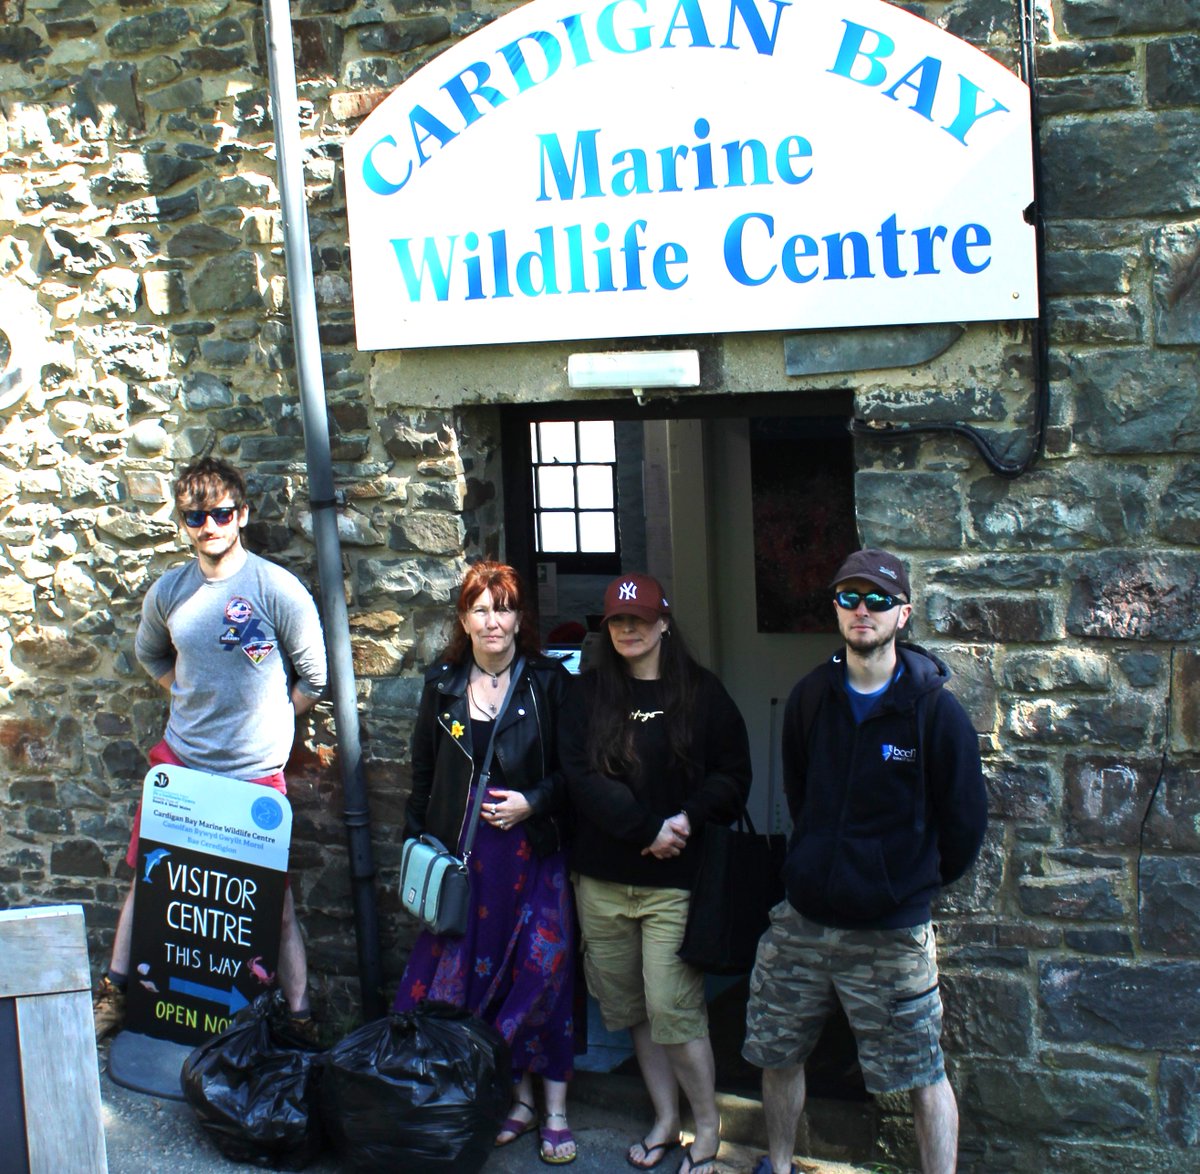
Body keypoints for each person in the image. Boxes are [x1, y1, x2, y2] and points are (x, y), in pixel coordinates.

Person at [743, 548, 987, 1174]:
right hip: (805, 919)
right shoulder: (809, 699)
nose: (862, 610)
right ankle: (779, 1163)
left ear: (902, 614)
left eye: (878, 599)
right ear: (836, 608)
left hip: (891, 930)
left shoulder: (935, 711)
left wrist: (903, 883)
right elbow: (801, 793)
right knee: (779, 1052)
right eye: (850, 597)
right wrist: (815, 865)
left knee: (924, 1070)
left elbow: (963, 825)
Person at [92, 456, 328, 1041]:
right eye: (195, 516)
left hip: (253, 777)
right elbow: (152, 657)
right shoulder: (169, 592)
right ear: (183, 523)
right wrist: (188, 696)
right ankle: (116, 996)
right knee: (149, 881)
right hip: (183, 767)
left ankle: (300, 1020)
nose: (209, 526)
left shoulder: (276, 589)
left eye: (221, 513)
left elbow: (314, 677)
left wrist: (273, 718)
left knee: (275, 902)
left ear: (242, 514)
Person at [560, 573, 752, 1174]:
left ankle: (707, 1128)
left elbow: (734, 773)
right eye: (617, 621)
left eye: (639, 619)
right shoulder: (585, 694)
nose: (627, 629)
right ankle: (666, 1120)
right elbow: (581, 779)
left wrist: (686, 819)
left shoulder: (702, 693)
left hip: (675, 882)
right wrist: (647, 829)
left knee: (673, 1007)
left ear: (665, 622)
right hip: (603, 880)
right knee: (633, 1009)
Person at [393, 561, 578, 1165]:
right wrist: (416, 845)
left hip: (534, 854)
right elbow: (423, 773)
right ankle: (512, 1101)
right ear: (463, 619)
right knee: (475, 975)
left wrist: (533, 802)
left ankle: (554, 1111)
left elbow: (576, 772)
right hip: (465, 858)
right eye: (480, 608)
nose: (492, 620)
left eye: (503, 608)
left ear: (520, 618)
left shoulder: (548, 682)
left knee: (539, 973)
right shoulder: (443, 682)